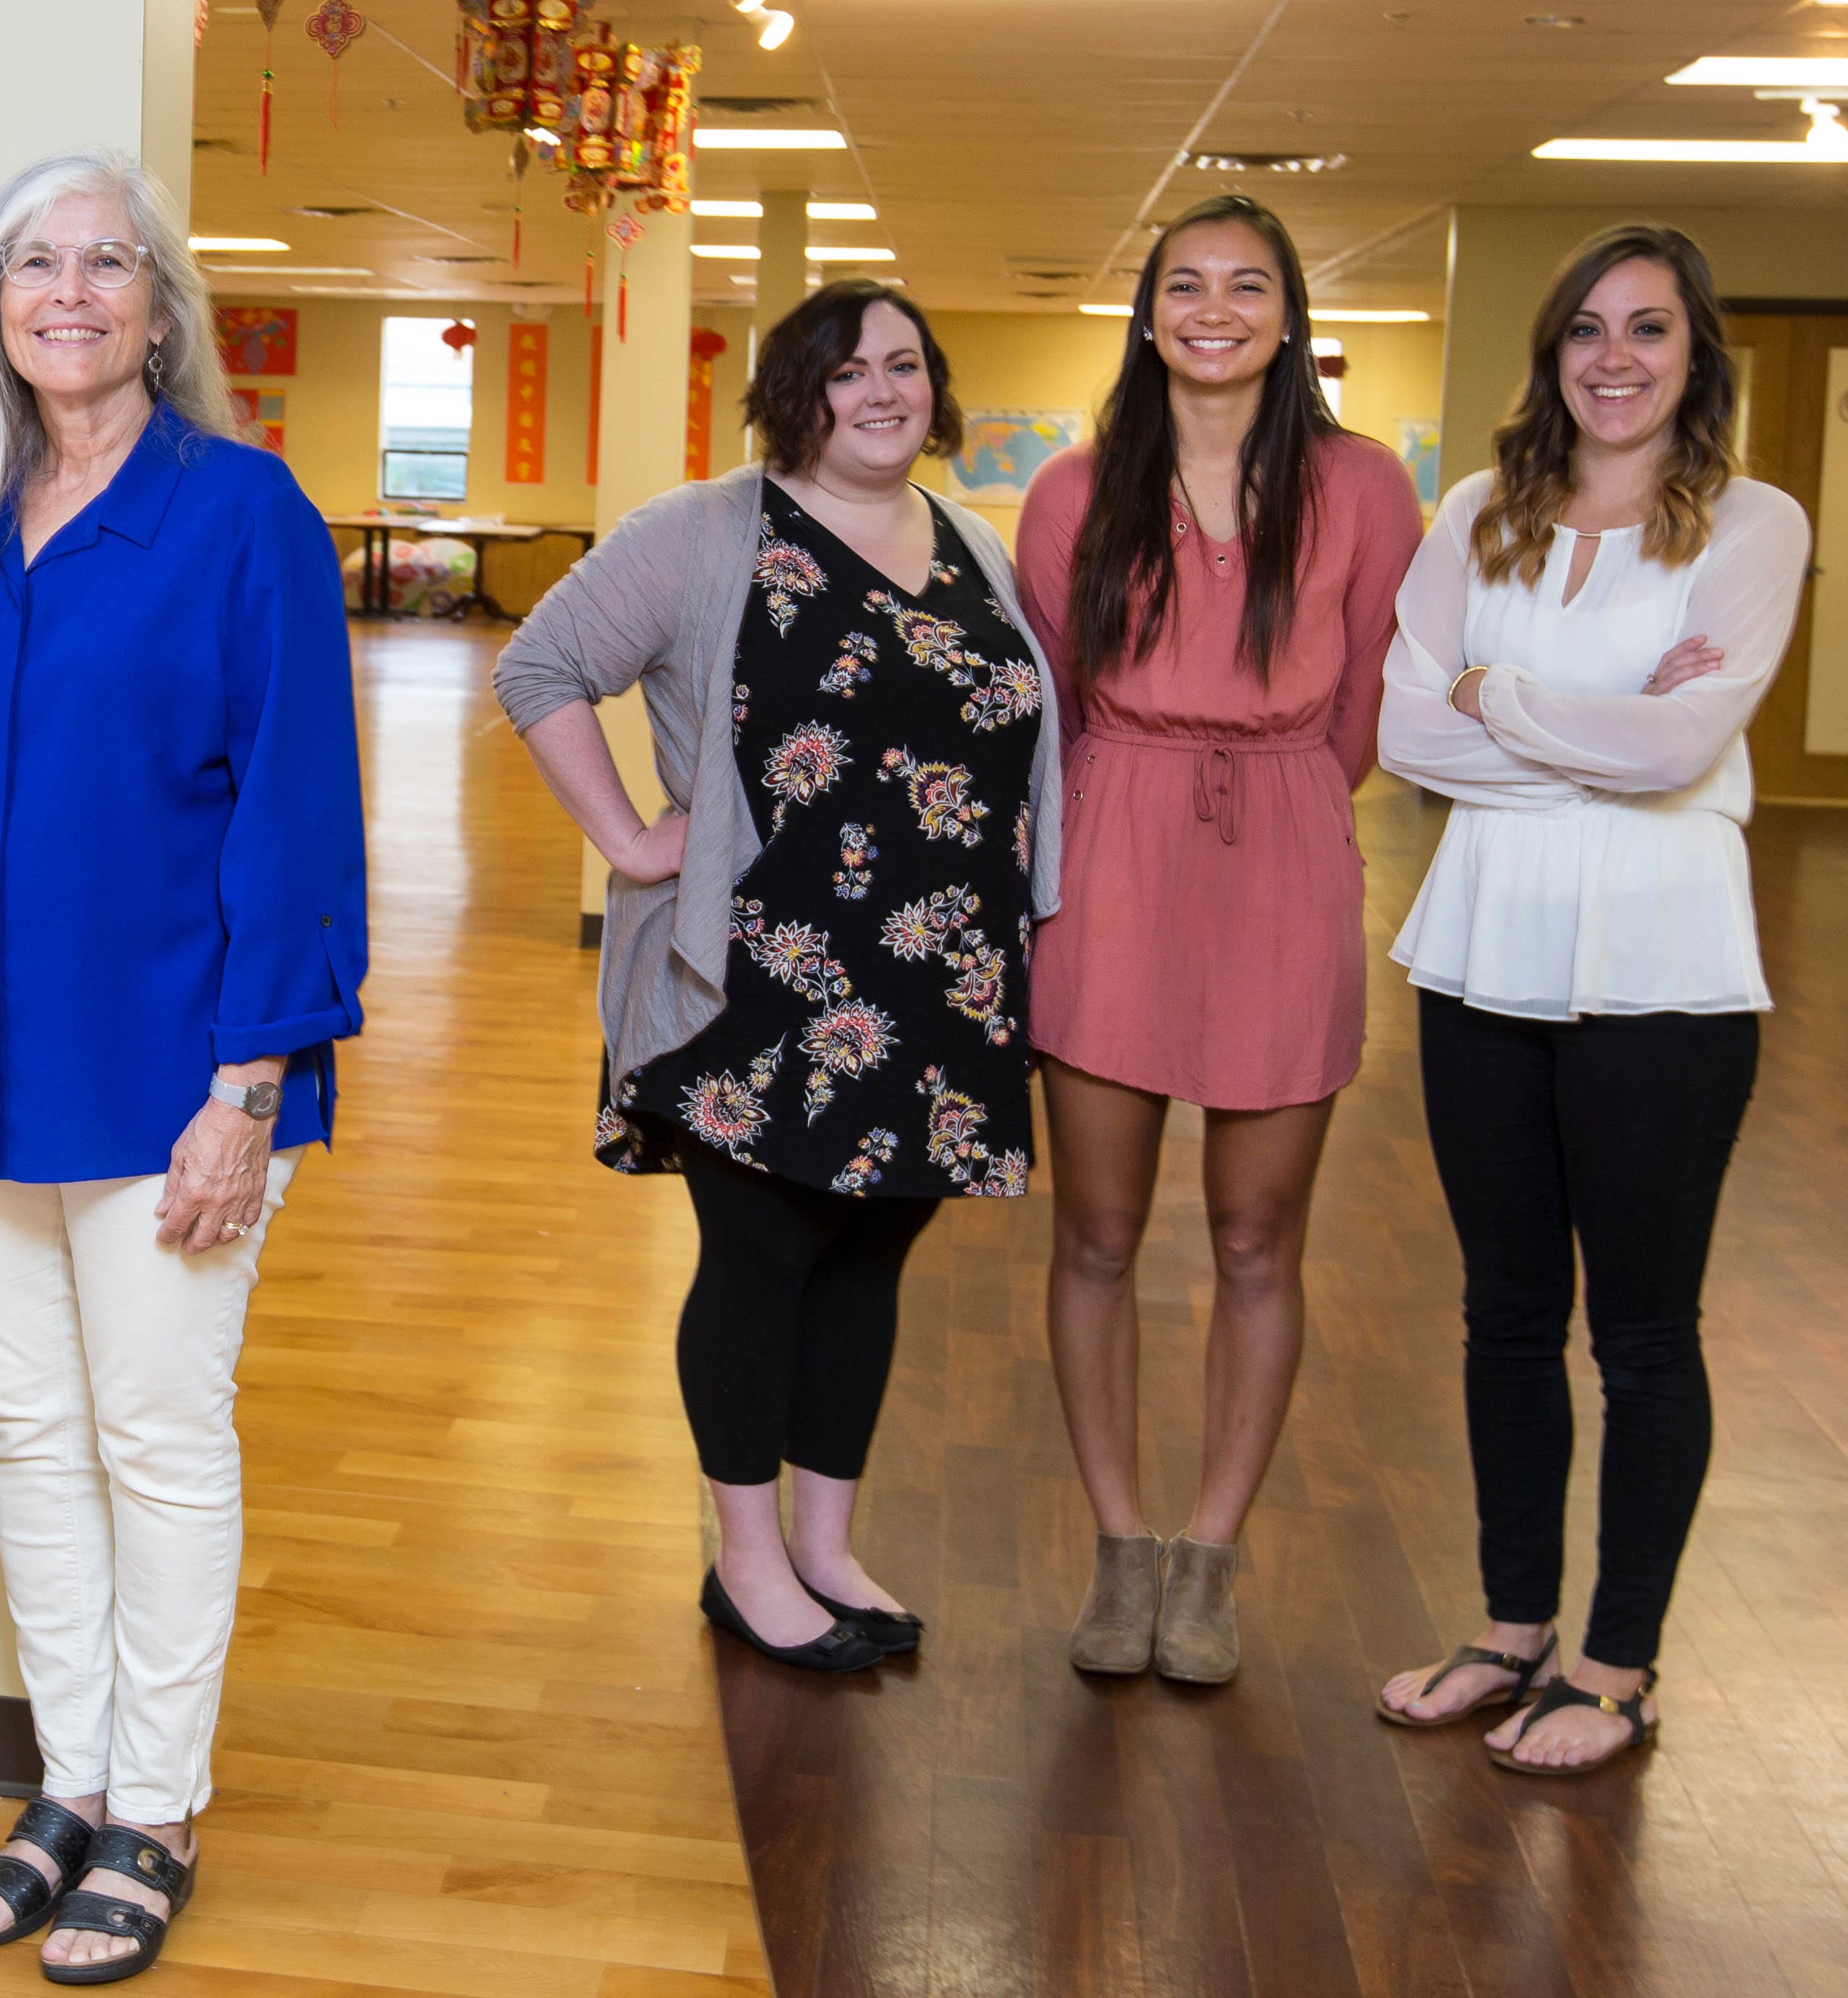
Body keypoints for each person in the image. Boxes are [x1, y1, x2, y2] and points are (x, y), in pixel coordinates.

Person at [0, 155, 366, 1984]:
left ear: (161, 309)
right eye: (36, 261)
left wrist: (248, 1088)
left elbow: (299, 817)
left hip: (177, 1060)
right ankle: (73, 1778)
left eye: (110, 262)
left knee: (158, 1439)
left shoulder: (241, 513)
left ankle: (159, 1801)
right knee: (27, 1431)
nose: (71, 291)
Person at [493, 281, 1065, 1678]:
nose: (883, 391)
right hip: (755, 979)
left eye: (907, 366)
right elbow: (542, 663)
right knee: (765, 1256)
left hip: (937, 985)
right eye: (848, 368)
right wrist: (629, 835)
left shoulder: (973, 542)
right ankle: (746, 1562)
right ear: (790, 390)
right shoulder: (704, 531)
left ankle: (825, 1542)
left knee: (871, 1258)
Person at [1371, 227, 1803, 1777]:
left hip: (1665, 976)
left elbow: (1675, 754)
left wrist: (1495, 693)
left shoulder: (1755, 522)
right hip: (1486, 945)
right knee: (1502, 1313)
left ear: (1697, 355)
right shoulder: (1484, 510)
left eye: (1650, 329)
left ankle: (1617, 1665)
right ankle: (1511, 1631)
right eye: (1587, 331)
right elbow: (1400, 725)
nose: (1614, 356)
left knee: (1640, 1330)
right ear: (1552, 352)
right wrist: (1577, 719)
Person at [1011, 194, 1418, 1686]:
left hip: (1286, 847)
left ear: (1289, 315)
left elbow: (1372, 695)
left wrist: (1284, 791)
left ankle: (1213, 1551)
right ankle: (1123, 1549)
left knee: (1258, 1237)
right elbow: (1044, 699)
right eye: (1187, 283)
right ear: (1149, 311)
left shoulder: (1366, 486)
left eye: (1249, 285)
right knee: (1099, 1233)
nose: (1216, 307)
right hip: (1113, 843)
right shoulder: (1071, 491)